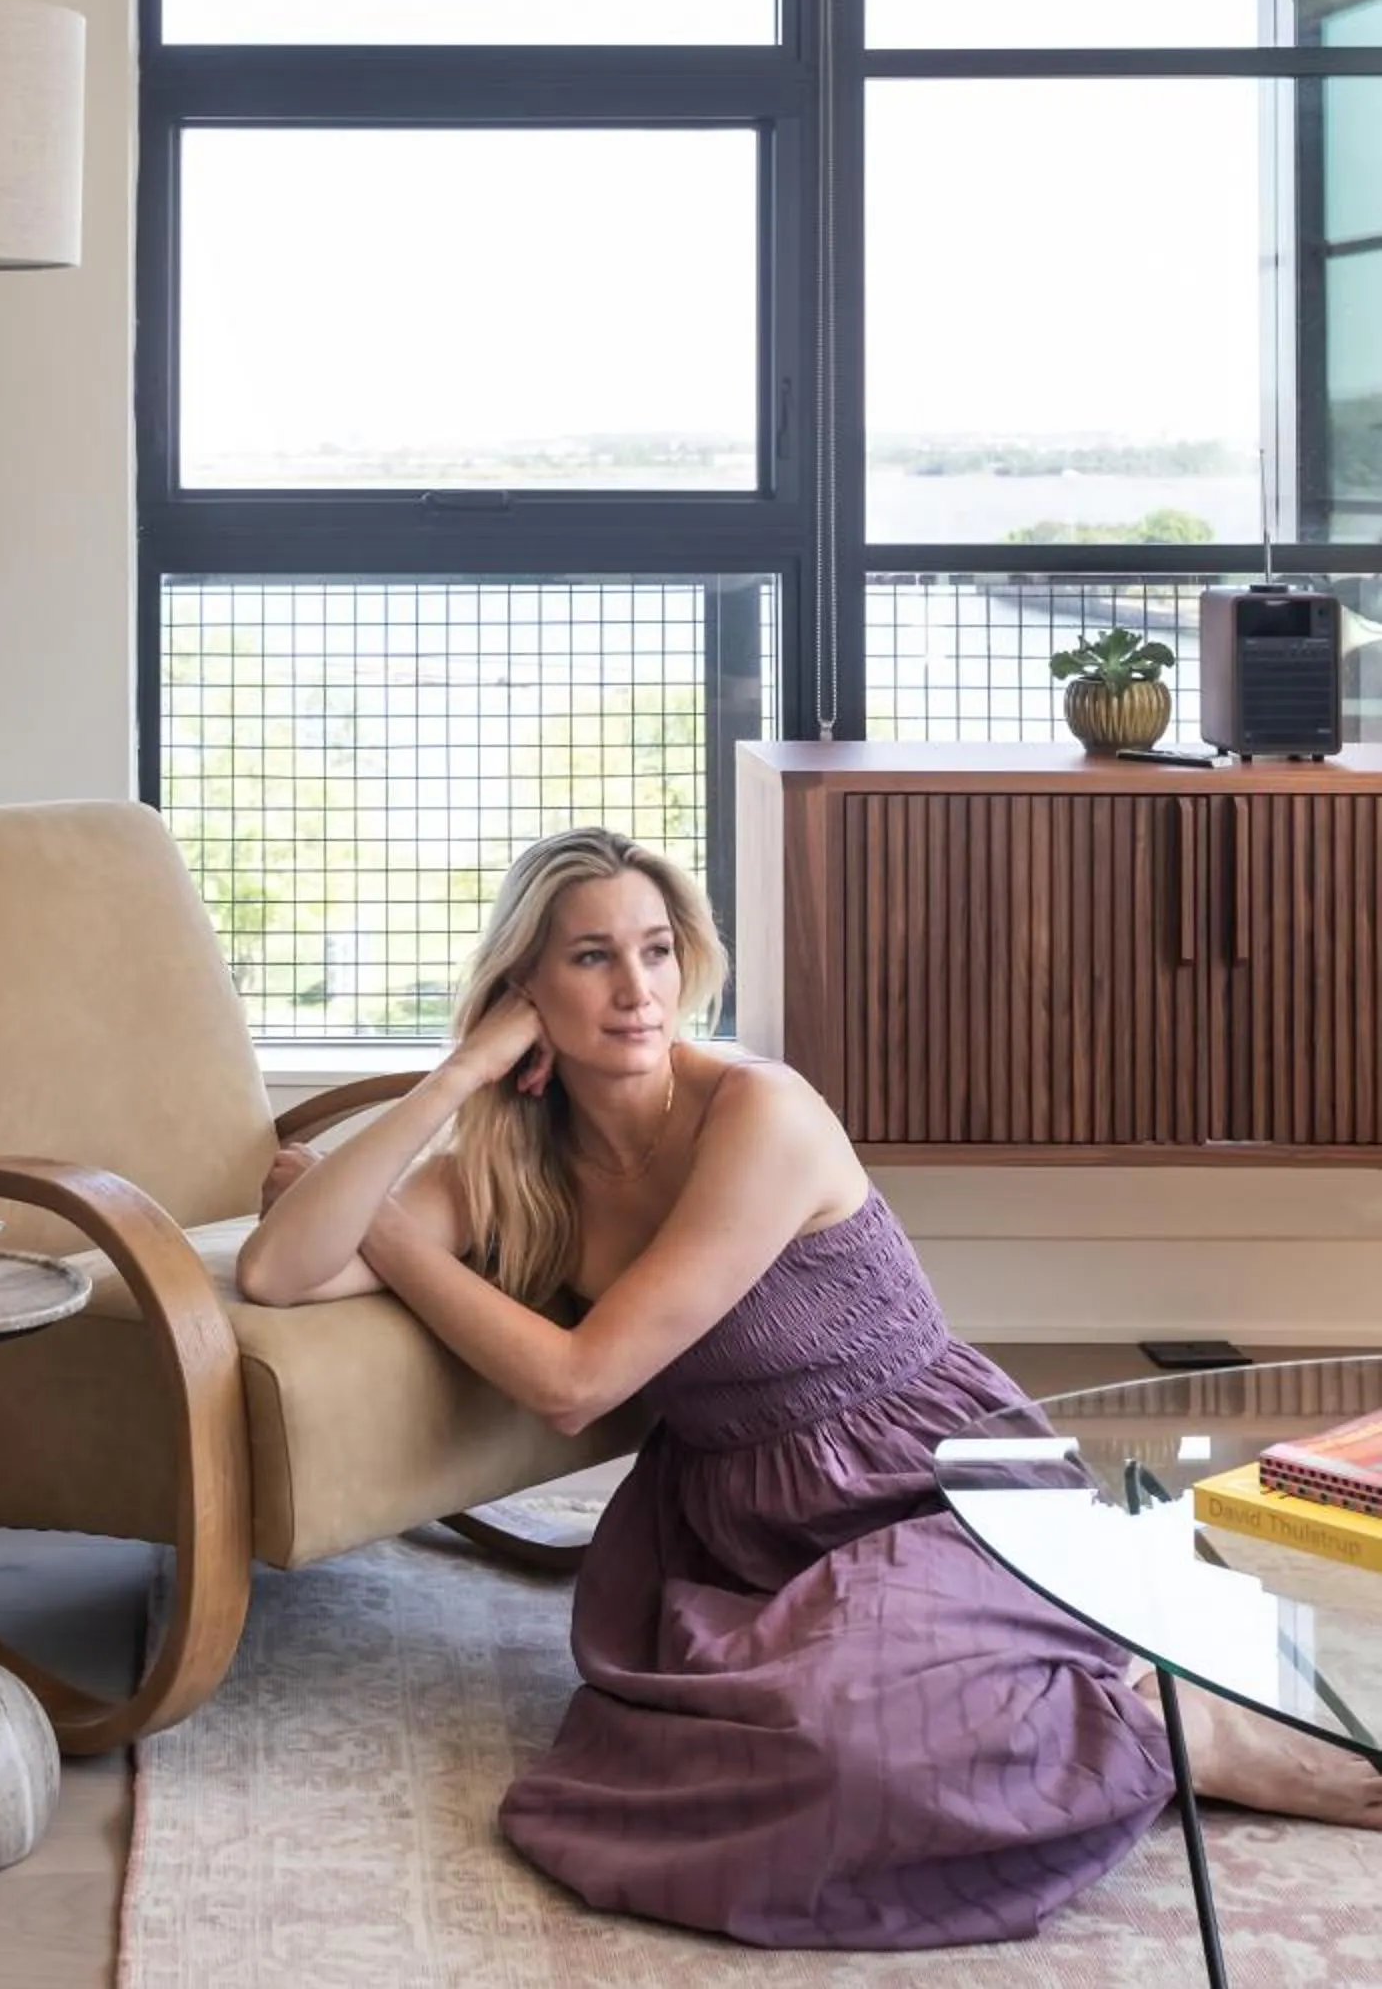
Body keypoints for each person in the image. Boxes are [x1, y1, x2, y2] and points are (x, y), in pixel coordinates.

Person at [235, 823, 1382, 1951]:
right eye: (590, 957)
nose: (637, 990)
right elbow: (281, 1269)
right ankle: (1110, 1680)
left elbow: (577, 1384)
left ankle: (1172, 1732)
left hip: (929, 1485)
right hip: (737, 1523)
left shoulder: (757, 1111)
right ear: (520, 989)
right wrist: (455, 1078)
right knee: (720, 1754)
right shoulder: (519, 1165)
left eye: (656, 948)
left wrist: (393, 1236)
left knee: (845, 1737)